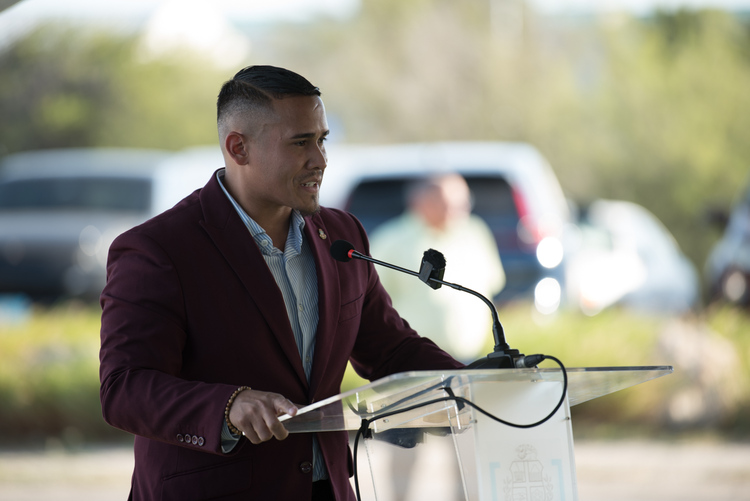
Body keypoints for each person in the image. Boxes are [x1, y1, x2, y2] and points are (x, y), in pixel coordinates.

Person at [98, 65, 463, 501]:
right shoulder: (159, 249)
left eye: (322, 140)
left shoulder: (342, 236)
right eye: (300, 142)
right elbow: (125, 388)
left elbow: (390, 350)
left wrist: (481, 382)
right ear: (239, 148)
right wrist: (228, 406)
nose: (320, 160)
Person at [369, 173, 506, 364]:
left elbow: (494, 283)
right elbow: (372, 303)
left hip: (471, 359)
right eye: (448, 204)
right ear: (420, 202)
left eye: (464, 203)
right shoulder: (389, 240)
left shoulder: (475, 231)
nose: (459, 211)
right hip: (414, 360)